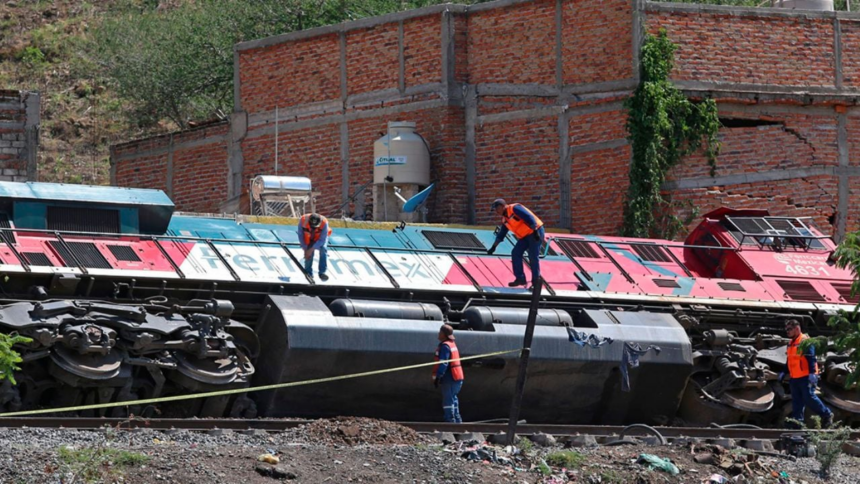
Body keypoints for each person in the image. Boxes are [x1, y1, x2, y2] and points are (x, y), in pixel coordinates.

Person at [779, 319, 833, 428]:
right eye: (786, 330)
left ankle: (826, 414)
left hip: (806, 376)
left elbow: (811, 358)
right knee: (797, 401)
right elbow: (789, 360)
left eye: (789, 329)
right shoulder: (790, 343)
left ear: (797, 328)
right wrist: (784, 372)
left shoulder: (805, 341)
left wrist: (812, 373)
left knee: (809, 397)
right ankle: (797, 422)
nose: (787, 332)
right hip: (795, 377)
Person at [486, 199, 545, 287]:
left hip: (535, 232)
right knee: (516, 253)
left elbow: (529, 217)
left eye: (496, 209)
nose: (496, 212)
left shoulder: (514, 208)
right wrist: (493, 247)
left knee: (533, 257)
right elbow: (501, 234)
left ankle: (536, 282)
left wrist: (535, 230)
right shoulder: (504, 220)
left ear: (502, 206)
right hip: (525, 237)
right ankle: (520, 278)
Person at [433, 324, 464, 423]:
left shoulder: (445, 346)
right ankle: (457, 421)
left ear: (444, 334)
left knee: (448, 400)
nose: (438, 334)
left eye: (440, 332)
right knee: (453, 399)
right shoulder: (452, 344)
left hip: (450, 377)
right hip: (457, 377)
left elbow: (443, 363)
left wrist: (438, 376)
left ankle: (450, 421)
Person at [297, 213, 331, 281]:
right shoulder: (303, 220)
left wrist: (312, 249)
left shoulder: (324, 222)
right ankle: (308, 273)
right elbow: (300, 235)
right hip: (308, 237)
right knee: (308, 253)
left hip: (319, 238)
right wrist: (305, 249)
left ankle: (322, 272)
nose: (314, 228)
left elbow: (322, 240)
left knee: (323, 249)